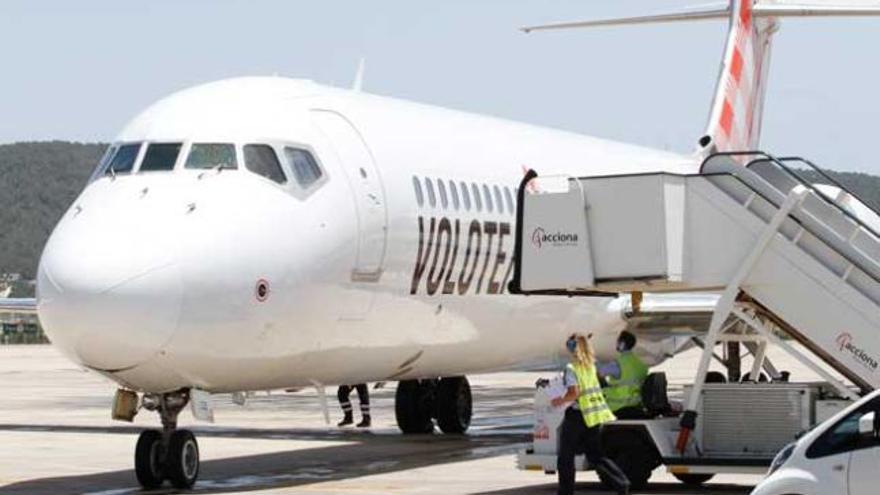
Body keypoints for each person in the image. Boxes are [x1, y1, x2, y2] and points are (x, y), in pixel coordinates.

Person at [552, 333, 630, 495]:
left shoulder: (572, 368)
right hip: (593, 416)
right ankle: (622, 483)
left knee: (565, 457)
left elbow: (574, 393)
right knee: (596, 456)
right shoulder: (592, 366)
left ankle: (565, 492)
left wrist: (560, 400)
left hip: (577, 417)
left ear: (573, 348)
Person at [600, 331, 649, 419]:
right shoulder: (640, 363)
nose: (616, 344)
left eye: (618, 342)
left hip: (618, 406)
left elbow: (599, 372)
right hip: (636, 404)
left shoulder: (619, 364)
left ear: (622, 344)